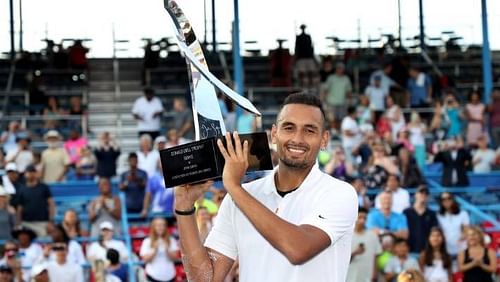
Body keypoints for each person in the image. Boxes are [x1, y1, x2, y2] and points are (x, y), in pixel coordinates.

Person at [174, 93, 358, 281]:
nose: (297, 138)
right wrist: (184, 207)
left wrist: (235, 188)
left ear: (324, 139)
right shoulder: (238, 198)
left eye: (309, 130)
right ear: (274, 134)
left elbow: (298, 250)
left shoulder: (339, 193)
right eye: (289, 127)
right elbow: (205, 279)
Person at [16, 165, 55, 236]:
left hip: (42, 223)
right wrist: (19, 223)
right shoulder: (21, 189)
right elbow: (19, 208)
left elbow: (51, 204)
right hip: (26, 223)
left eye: (32, 172)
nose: (30, 174)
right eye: (28, 172)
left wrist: (50, 221)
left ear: (36, 173)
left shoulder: (44, 187)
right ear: (25, 174)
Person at [346, 207, 382, 282]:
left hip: (367, 276)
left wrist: (375, 275)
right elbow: (342, 260)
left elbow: (376, 257)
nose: (362, 221)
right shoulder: (347, 236)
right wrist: (355, 253)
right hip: (349, 276)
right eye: (360, 217)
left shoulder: (373, 235)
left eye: (365, 218)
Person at [140, 217, 179, 282]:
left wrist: (167, 249)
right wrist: (155, 250)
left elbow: (175, 258)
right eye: (158, 225)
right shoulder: (147, 241)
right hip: (152, 276)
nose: (161, 227)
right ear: (153, 227)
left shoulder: (172, 240)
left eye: (163, 225)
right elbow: (145, 260)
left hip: (170, 276)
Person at [403, 186, 438, 254]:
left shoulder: (432, 214)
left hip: (426, 251)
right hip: (409, 250)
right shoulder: (406, 212)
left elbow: (434, 231)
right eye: (421, 193)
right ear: (416, 195)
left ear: (428, 197)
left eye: (426, 194)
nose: (423, 195)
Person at [437, 192, 469, 257]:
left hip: (461, 249)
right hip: (445, 250)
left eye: (449, 198)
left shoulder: (463, 214)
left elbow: (466, 230)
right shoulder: (438, 216)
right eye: (443, 199)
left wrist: (461, 239)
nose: (446, 201)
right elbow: (439, 231)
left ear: (453, 199)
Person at [322, 62, 353, 127]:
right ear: (336, 69)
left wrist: (350, 100)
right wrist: (323, 99)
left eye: (341, 68)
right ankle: (334, 131)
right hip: (331, 102)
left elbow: (349, 91)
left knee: (341, 118)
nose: (340, 70)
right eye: (338, 68)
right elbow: (326, 89)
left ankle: (339, 132)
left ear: (343, 69)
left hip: (342, 102)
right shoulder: (331, 78)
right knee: (332, 118)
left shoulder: (346, 79)